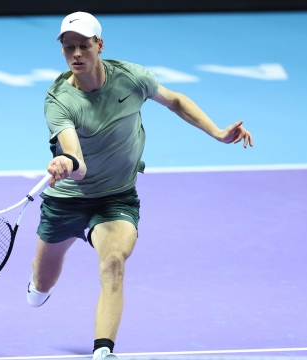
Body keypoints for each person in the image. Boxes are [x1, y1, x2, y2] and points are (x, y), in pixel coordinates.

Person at [27, 11, 253, 360]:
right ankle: (39, 285)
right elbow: (79, 163)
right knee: (42, 283)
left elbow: (175, 100)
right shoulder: (59, 99)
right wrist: (66, 162)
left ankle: (103, 351)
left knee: (113, 261)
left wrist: (219, 133)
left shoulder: (132, 78)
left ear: (99, 45)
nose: (76, 54)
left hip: (116, 197)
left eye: (83, 46)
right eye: (68, 47)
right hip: (67, 199)